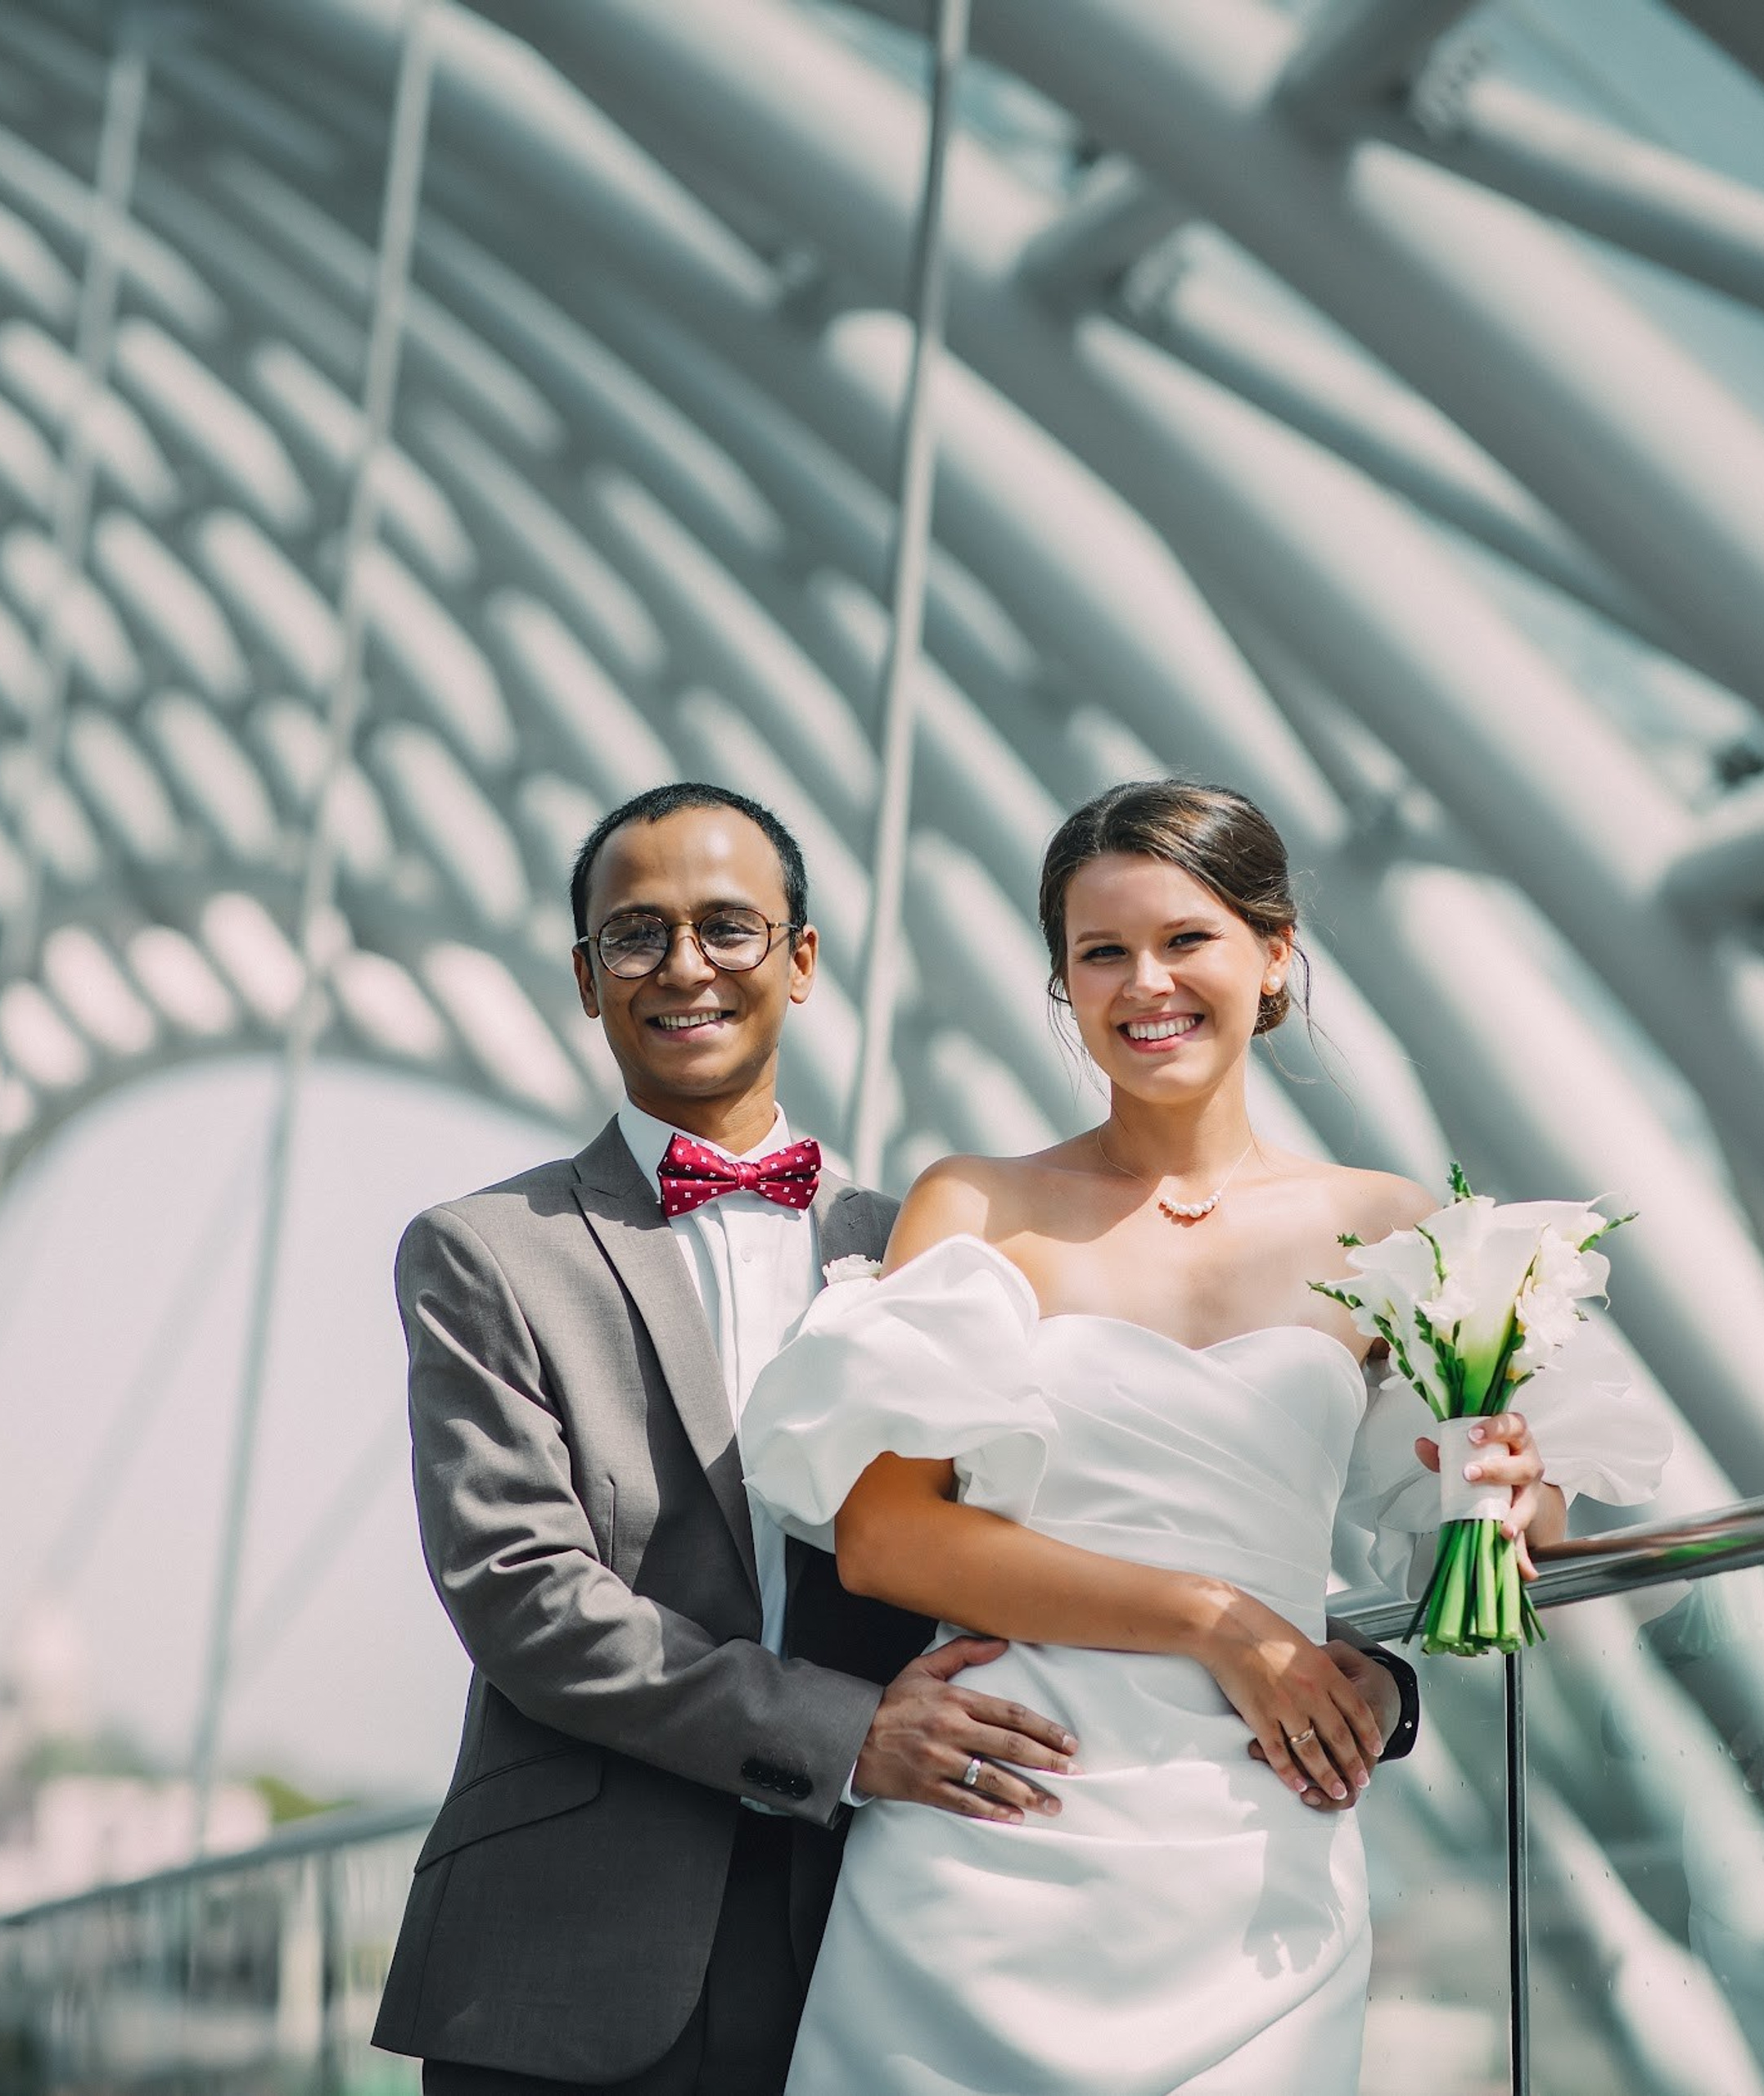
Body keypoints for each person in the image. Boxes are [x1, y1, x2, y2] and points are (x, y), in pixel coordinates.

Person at [373, 781, 1416, 2095]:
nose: (684, 966)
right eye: (635, 936)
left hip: (890, 1891)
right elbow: (523, 1596)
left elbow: (1192, 1506)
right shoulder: (487, 1252)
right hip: (585, 1939)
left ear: (802, 959)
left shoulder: (921, 1239)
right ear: (586, 979)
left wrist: (1372, 1670)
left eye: (728, 928)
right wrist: (845, 1735)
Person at [742, 779, 1670, 2095]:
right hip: (996, 1837)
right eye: (1100, 953)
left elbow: (1488, 1544)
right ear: (1064, 988)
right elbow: (887, 1540)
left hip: (1262, 1857)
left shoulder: (1391, 1227)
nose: (1145, 984)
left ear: (1275, 955)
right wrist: (1216, 1619)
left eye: (1187, 939)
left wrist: (1514, 1490)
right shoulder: (980, 1200)